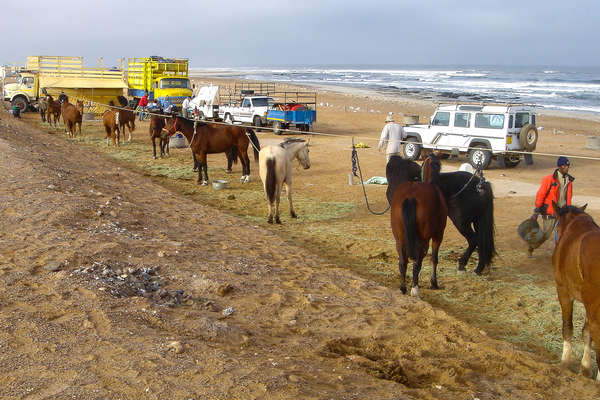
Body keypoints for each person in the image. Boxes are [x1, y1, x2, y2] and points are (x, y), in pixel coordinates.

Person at [531, 156, 574, 244]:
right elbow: (541, 194)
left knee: (563, 233)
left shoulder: (569, 181)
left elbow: (569, 197)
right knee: (545, 235)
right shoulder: (549, 179)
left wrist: (569, 210)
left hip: (562, 212)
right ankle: (531, 246)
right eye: (564, 166)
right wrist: (536, 211)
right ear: (559, 166)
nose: (566, 168)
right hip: (551, 211)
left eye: (567, 166)